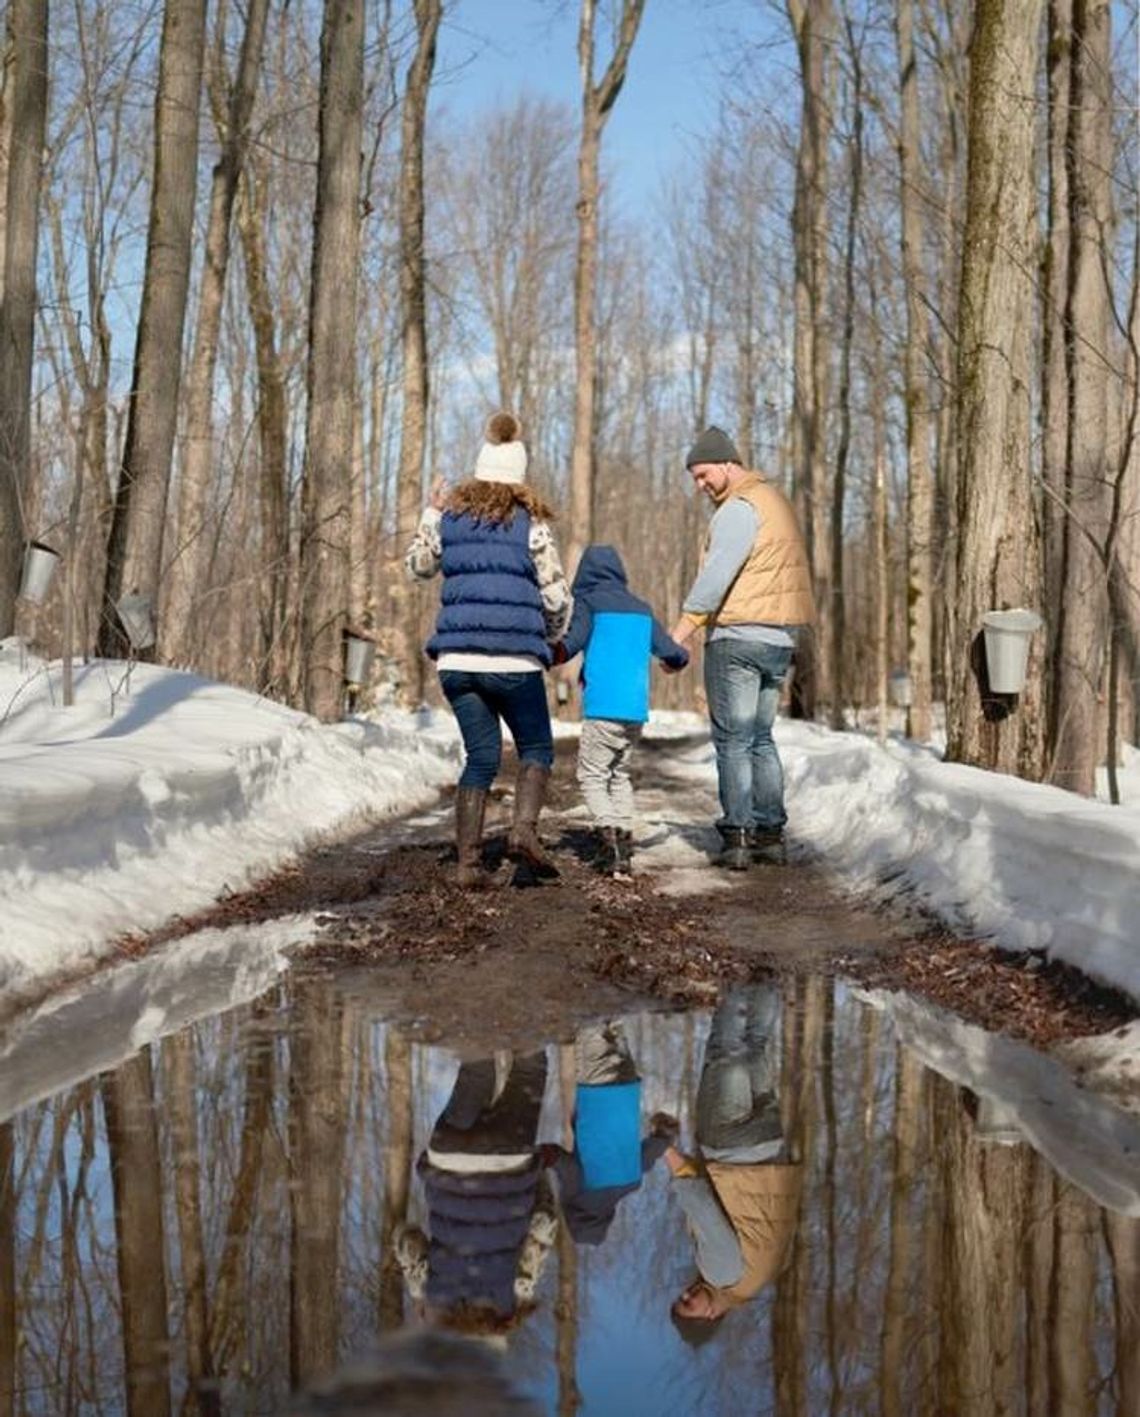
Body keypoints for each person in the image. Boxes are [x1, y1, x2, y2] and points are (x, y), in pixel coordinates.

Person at [406, 413, 572, 886]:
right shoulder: (532, 526)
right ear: (520, 479)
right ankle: (522, 833)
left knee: (480, 758)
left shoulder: (451, 520)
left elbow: (418, 566)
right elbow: (557, 597)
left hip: (456, 662)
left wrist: (431, 513)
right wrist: (553, 637)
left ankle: (467, 865)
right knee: (536, 746)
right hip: (514, 661)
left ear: (478, 472)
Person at [669, 426, 815, 870]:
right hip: (779, 638)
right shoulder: (775, 502)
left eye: (703, 474)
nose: (700, 485)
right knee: (760, 738)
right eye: (695, 478)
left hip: (738, 638)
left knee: (732, 739)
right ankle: (770, 834)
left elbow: (717, 578)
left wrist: (682, 630)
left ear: (728, 463)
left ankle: (737, 837)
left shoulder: (739, 508)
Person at [666, 984, 801, 1339]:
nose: (687, 1293)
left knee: (756, 1047)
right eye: (688, 1304)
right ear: (709, 1316)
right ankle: (735, 977)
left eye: (680, 1298)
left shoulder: (759, 1278)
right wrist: (666, 1153)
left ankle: (767, 978)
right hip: (731, 1149)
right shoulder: (722, 1275)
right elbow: (703, 1209)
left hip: (770, 1146)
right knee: (724, 1053)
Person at [395, 1050, 558, 1339]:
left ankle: (531, 1009)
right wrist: (418, 1292)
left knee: (530, 1069)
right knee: (477, 1069)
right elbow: (407, 1238)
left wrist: (537, 1174)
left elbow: (544, 1221)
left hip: (508, 1158)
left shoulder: (515, 1295)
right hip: (450, 1157)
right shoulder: (436, 1299)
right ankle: (479, 1009)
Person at [557, 545, 688, 877]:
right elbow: (671, 651)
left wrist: (545, 653)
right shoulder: (642, 609)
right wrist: (679, 660)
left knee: (592, 775)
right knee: (619, 774)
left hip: (603, 708)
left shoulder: (588, 603)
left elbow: (571, 643)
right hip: (634, 712)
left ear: (584, 573)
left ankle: (609, 840)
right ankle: (624, 840)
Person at [543, 1019, 677, 1246]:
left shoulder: (631, 1183)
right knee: (589, 1020)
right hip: (597, 1090)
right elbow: (562, 1161)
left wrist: (664, 1135)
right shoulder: (580, 1193)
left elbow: (654, 1149)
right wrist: (535, 1159)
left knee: (615, 1024)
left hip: (628, 1088)